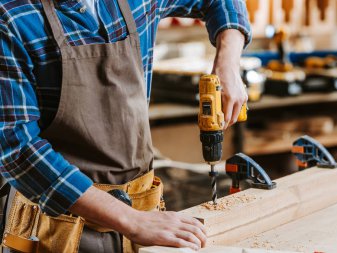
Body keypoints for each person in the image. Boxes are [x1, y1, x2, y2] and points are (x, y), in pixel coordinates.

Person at [0, 0, 251, 252]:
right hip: (54, 230)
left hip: (143, 220)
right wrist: (131, 219)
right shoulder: (11, 15)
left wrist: (228, 65)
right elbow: (17, 149)